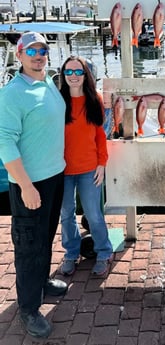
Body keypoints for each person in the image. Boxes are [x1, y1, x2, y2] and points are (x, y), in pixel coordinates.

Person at [0, 32, 68, 338]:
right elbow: (4, 141)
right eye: (32, 51)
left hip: (54, 176)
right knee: (28, 245)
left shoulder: (48, 81)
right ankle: (28, 308)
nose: (38, 55)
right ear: (20, 55)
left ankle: (41, 283)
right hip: (30, 183)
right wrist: (26, 186)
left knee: (46, 236)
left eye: (42, 49)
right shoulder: (12, 93)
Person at [58, 55, 113, 277]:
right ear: (63, 75)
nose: (73, 76)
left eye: (78, 72)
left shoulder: (95, 99)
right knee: (66, 214)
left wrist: (102, 163)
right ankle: (71, 253)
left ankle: (103, 252)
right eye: (68, 72)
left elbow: (100, 134)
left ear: (85, 75)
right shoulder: (58, 101)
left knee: (93, 213)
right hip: (61, 170)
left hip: (89, 167)